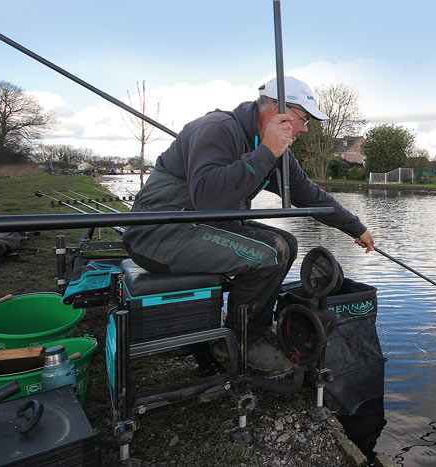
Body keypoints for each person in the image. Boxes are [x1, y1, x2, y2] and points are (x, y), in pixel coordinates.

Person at [122, 76, 374, 374]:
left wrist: (355, 227)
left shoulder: (277, 150)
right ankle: (242, 343)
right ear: (278, 110)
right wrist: (265, 153)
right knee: (271, 252)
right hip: (159, 232)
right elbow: (208, 199)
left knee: (287, 244)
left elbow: (310, 196)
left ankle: (240, 329)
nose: (305, 129)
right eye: (303, 119)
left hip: (196, 225)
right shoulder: (216, 129)